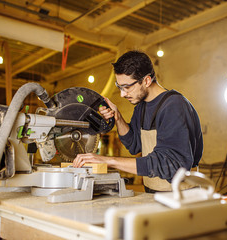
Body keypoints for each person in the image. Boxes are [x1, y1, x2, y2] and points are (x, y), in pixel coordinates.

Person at [73, 50, 203, 193]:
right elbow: (134, 145)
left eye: (127, 87)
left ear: (147, 80)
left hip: (181, 196)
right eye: (119, 87)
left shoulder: (173, 106)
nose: (122, 94)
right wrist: (118, 118)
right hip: (153, 192)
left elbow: (170, 164)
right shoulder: (142, 107)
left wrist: (108, 160)